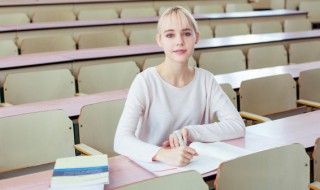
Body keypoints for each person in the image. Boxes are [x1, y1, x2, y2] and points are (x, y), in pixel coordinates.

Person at [114, 6, 245, 167]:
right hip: (153, 168)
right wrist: (161, 154)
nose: (179, 42)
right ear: (159, 40)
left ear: (196, 37)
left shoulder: (206, 79)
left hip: (195, 165)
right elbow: (121, 140)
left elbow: (237, 126)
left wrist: (191, 132)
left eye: (186, 34)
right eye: (170, 35)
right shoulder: (144, 82)